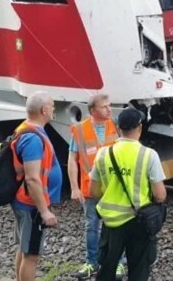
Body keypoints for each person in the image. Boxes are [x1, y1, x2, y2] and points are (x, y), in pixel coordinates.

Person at [89, 108, 167, 281]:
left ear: (118, 128)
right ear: (139, 127)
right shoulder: (149, 155)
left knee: (107, 269)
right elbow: (160, 195)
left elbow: (93, 191)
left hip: (111, 222)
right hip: (139, 221)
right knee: (139, 270)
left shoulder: (103, 154)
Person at [68, 94, 126, 280]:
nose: (109, 110)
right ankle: (92, 263)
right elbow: (72, 159)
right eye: (104, 107)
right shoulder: (79, 130)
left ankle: (117, 263)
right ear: (93, 111)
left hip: (113, 188)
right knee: (92, 227)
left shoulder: (115, 125)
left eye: (109, 106)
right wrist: (74, 187)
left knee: (115, 226)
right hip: (91, 189)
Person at [11, 91, 62, 281]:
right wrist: (44, 211)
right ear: (45, 110)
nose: (54, 109)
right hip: (31, 205)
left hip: (25, 201)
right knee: (31, 256)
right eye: (53, 105)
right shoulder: (33, 138)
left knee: (24, 250)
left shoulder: (28, 129)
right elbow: (32, 179)